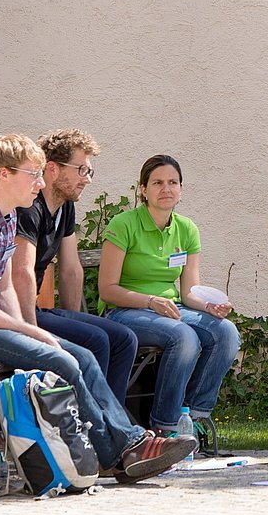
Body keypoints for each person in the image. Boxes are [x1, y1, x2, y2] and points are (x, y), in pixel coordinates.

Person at [0, 134, 193, 483]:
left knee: (82, 356)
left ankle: (126, 447)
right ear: (4, 174)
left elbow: (4, 288)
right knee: (62, 359)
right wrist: (30, 330)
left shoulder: (5, 219)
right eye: (33, 174)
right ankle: (123, 451)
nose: (39, 181)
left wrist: (28, 330)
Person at [98, 155, 241, 446]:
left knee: (226, 332)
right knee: (184, 337)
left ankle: (193, 418)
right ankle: (165, 427)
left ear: (181, 189)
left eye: (173, 182)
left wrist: (209, 306)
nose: (166, 189)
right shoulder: (124, 224)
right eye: (157, 183)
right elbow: (107, 290)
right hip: (125, 311)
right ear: (143, 189)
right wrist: (150, 300)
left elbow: (189, 291)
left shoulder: (187, 229)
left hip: (171, 309)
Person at [10, 128, 138, 405]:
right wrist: (30, 332)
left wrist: (72, 321)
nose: (87, 179)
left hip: (35, 310)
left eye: (89, 171)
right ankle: (89, 423)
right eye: (81, 170)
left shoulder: (65, 207)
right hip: (14, 313)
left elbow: (70, 269)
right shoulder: (29, 208)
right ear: (52, 169)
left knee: (124, 339)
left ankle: (110, 419)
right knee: (96, 340)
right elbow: (21, 271)